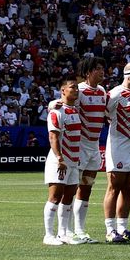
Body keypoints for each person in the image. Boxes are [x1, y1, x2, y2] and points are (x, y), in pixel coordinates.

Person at [103, 60, 130, 243]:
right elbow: (104, 113)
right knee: (114, 187)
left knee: (129, 188)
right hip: (119, 144)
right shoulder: (115, 94)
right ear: (128, 76)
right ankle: (110, 229)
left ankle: (123, 228)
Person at [72, 56, 107, 244]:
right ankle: (68, 230)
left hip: (94, 147)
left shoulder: (102, 92)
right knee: (71, 188)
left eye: (102, 68)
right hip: (80, 146)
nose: (102, 72)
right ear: (87, 72)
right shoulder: (79, 91)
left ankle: (80, 229)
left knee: (86, 188)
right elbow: (66, 108)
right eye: (98, 68)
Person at [44, 77, 82, 246]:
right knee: (55, 196)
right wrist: (60, 158)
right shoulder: (57, 111)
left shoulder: (74, 111)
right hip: (60, 161)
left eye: (77, 88)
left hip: (74, 161)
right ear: (63, 91)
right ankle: (48, 235)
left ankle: (63, 233)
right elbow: (53, 137)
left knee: (69, 196)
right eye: (72, 87)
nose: (76, 90)